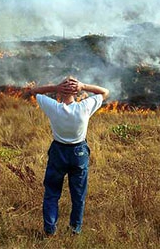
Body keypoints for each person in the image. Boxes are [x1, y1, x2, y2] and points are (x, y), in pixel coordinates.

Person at [29, 76, 109, 236]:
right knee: (78, 195)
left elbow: (33, 91)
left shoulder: (53, 107)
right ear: (77, 92)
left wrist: (56, 87)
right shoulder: (84, 107)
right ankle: (75, 229)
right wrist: (83, 85)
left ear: (60, 92)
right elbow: (105, 92)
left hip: (58, 152)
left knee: (52, 193)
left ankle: (50, 229)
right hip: (78, 153)